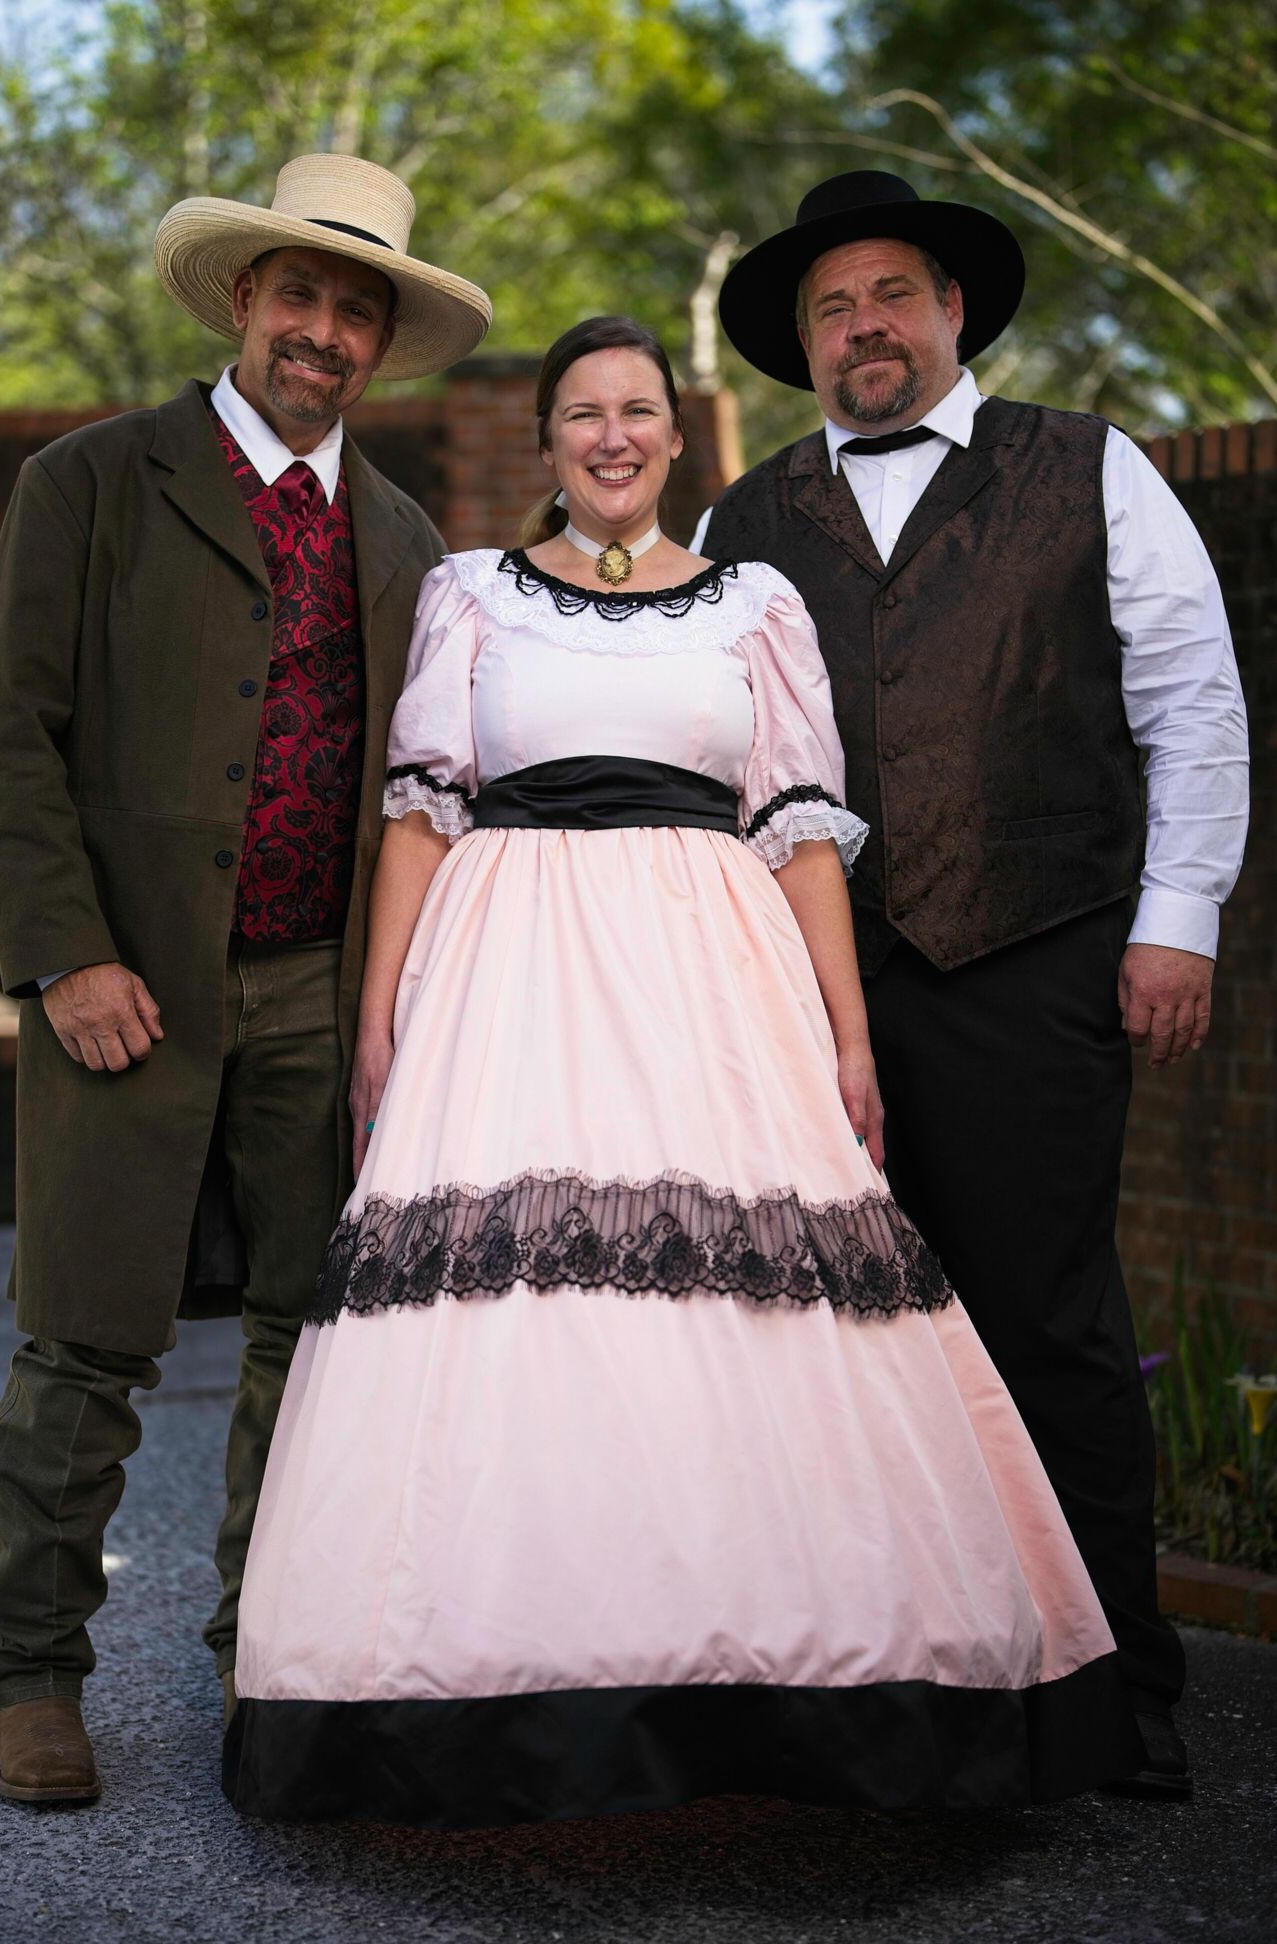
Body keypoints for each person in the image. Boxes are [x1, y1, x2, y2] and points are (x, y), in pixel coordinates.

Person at [221, 314, 1142, 1827]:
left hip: (713, 986)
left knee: (745, 1308)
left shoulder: (753, 603)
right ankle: (473, 1695)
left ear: (674, 436)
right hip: (507, 980)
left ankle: (781, 1701)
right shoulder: (468, 596)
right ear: (546, 443)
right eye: (580, 412)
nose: (609, 436)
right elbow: (415, 816)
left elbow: (795, 833)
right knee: (519, 1318)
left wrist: (846, 1037)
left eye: (636, 410)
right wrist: (381, 1015)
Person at [695, 170, 1250, 1800]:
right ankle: (880, 1688)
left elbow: (1192, 704)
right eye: (827, 307)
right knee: (827, 1339)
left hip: (1035, 956)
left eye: (888, 294)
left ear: (951, 312)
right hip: (809, 991)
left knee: (1048, 1324)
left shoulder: (1093, 469)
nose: (860, 325)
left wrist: (1178, 922)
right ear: (802, 345)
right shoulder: (748, 518)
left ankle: (1114, 1692)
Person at [0, 153, 491, 1805]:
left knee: (299, 1341)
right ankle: (36, 1676)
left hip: (316, 997)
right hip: (124, 990)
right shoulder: (92, 482)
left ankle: (266, 1654)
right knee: (82, 1346)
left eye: (355, 307)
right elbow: (9, 737)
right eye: (299, 294)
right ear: (243, 301)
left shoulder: (402, 539)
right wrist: (64, 956)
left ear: (376, 340)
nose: (321, 329)